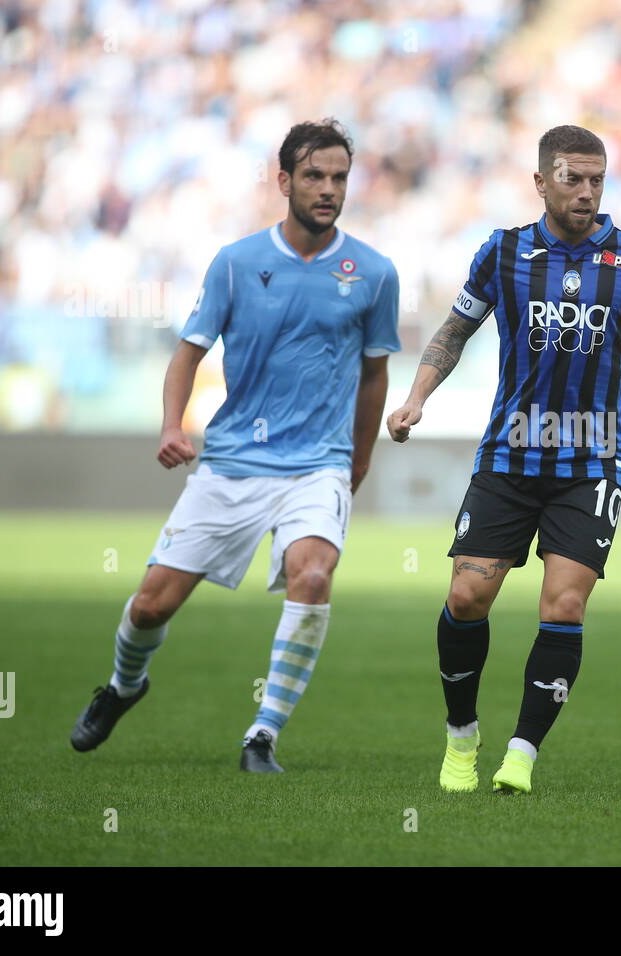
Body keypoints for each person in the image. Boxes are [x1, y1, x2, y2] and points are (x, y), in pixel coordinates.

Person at [70, 119, 400, 770]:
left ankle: (263, 735)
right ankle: (123, 686)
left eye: (339, 177)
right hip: (231, 464)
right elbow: (188, 354)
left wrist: (357, 460)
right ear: (284, 181)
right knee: (149, 605)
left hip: (317, 466)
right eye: (314, 176)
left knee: (312, 574)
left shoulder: (375, 273)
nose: (328, 188)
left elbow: (374, 375)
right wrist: (172, 426)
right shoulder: (237, 263)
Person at [386, 124, 621, 794]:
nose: (587, 191)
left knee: (565, 605)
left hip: (592, 461)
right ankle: (463, 736)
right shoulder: (504, 251)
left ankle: (521, 753)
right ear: (540, 181)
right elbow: (457, 327)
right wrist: (416, 398)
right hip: (510, 456)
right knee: (466, 596)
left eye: (597, 179)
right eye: (572, 178)